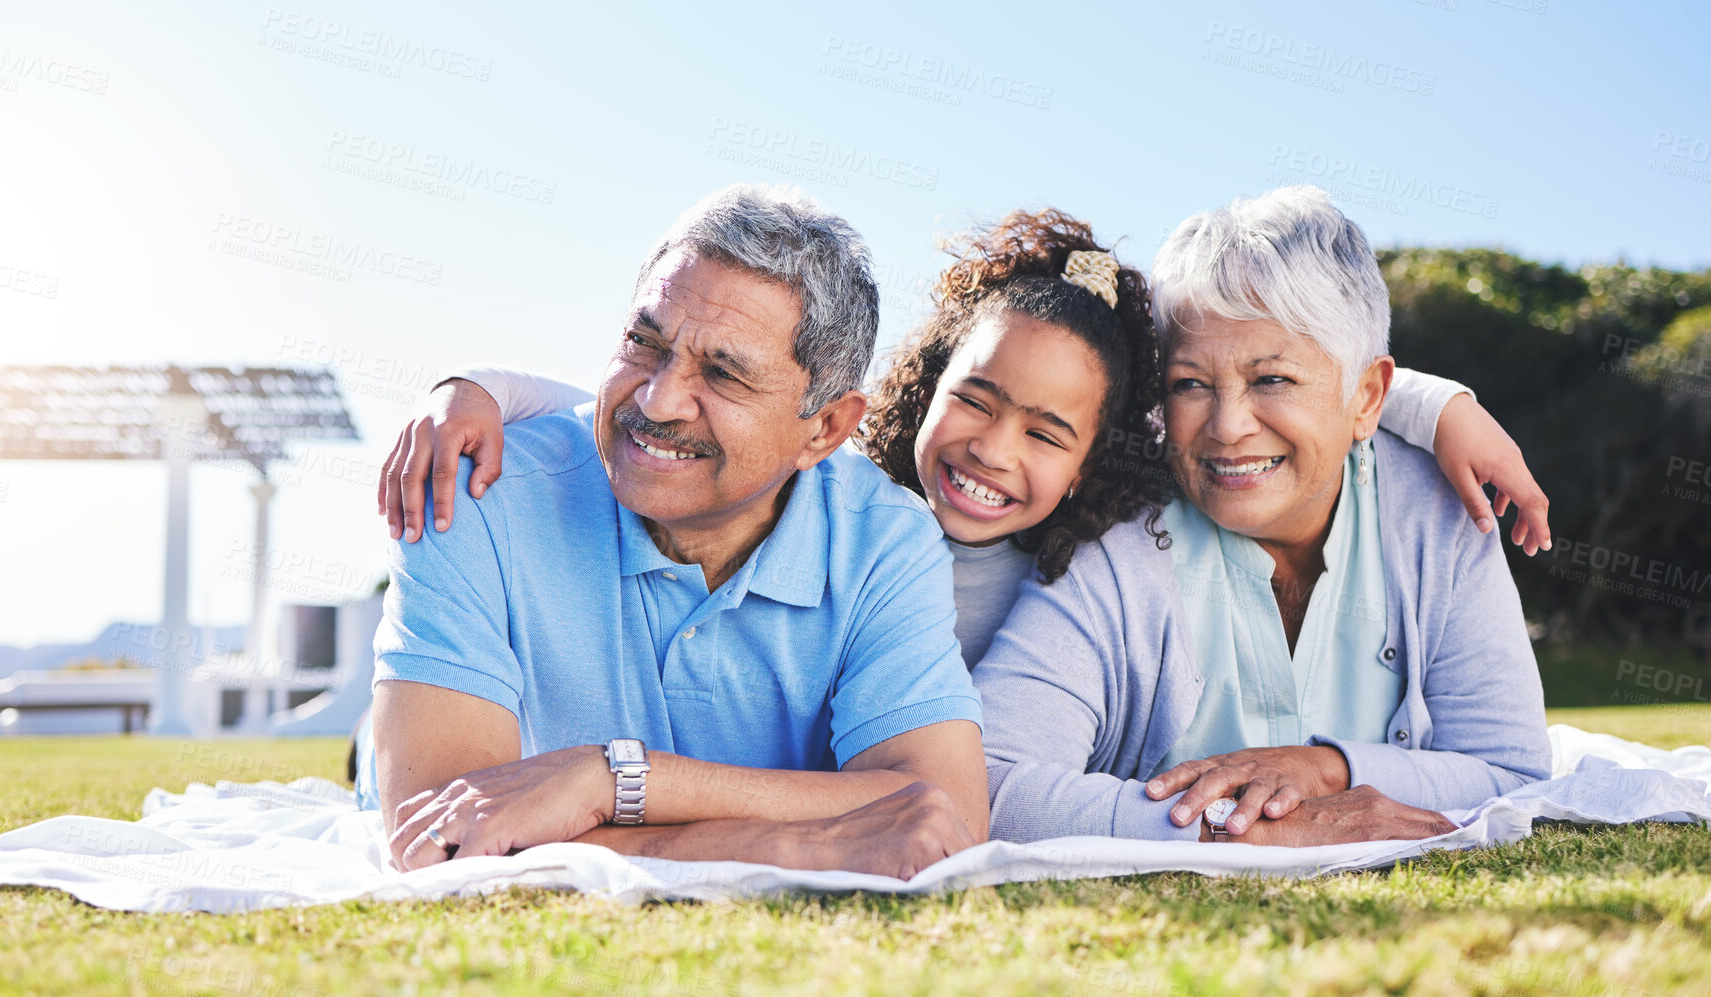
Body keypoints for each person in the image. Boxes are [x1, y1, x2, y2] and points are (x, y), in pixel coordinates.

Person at [379, 210, 1549, 676]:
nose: (993, 450)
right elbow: (675, 411)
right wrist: (473, 388)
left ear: (1096, 455)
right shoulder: (828, 491)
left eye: (1048, 433)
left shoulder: (1093, 560)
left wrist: (1431, 403)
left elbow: (1254, 391)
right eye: (974, 400)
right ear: (917, 387)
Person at [362, 184, 987, 881]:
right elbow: (441, 841)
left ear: (826, 428)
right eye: (643, 342)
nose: (657, 399)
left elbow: (945, 816)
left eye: (723, 374)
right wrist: (791, 846)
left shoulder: (884, 542)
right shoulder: (479, 486)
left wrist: (608, 780)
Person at [973, 186, 1553, 846]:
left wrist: (1328, 771)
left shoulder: (1435, 509)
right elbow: (981, 782)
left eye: (1271, 380)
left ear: (1366, 397)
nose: (1225, 428)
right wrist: (1239, 831)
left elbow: (1511, 771)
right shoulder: (1115, 531)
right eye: (1190, 383)